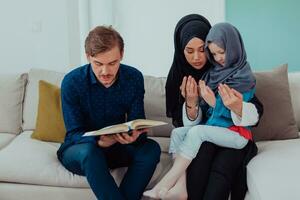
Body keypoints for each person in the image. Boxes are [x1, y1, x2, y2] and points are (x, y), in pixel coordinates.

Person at [144, 22, 257, 199]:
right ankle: (180, 187)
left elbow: (253, 111)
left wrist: (215, 103)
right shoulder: (211, 75)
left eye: (202, 50)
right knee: (178, 134)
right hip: (209, 133)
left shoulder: (241, 76)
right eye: (189, 51)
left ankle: (166, 182)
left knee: (209, 151)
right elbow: (193, 121)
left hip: (233, 134)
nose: (197, 57)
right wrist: (192, 102)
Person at [56, 26, 161, 200]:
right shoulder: (71, 82)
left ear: (122, 55)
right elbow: (73, 133)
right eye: (98, 64)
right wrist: (99, 141)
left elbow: (137, 122)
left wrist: (135, 136)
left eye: (112, 63)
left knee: (151, 149)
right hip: (82, 151)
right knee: (90, 152)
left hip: (118, 146)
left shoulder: (134, 78)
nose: (105, 72)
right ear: (88, 56)